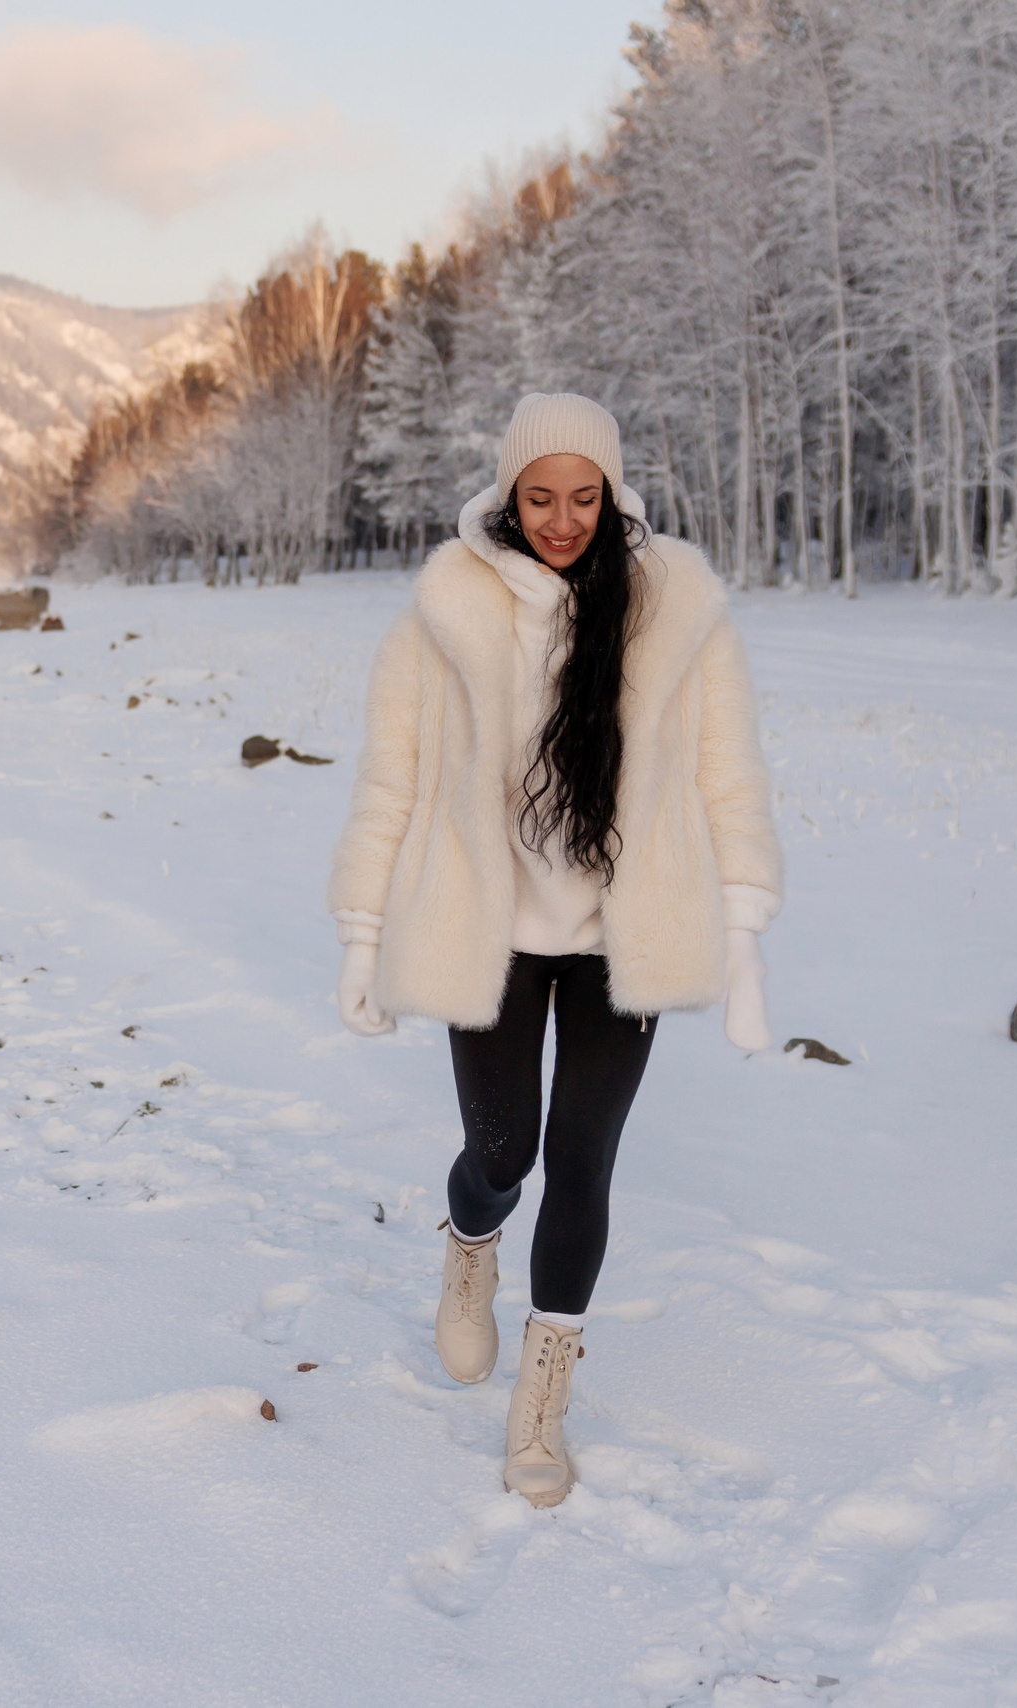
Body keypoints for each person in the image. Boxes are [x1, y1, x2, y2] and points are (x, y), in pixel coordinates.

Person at [324, 393, 783, 1508]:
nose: (563, 520)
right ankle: (469, 1238)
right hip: (486, 931)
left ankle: (541, 1407)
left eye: (584, 498)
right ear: (506, 494)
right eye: (541, 497)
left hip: (621, 936)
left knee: (583, 1162)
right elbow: (390, 783)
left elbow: (728, 777)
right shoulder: (443, 612)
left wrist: (742, 931)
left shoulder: (673, 612)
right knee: (503, 1150)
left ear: (613, 494)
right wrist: (361, 934)